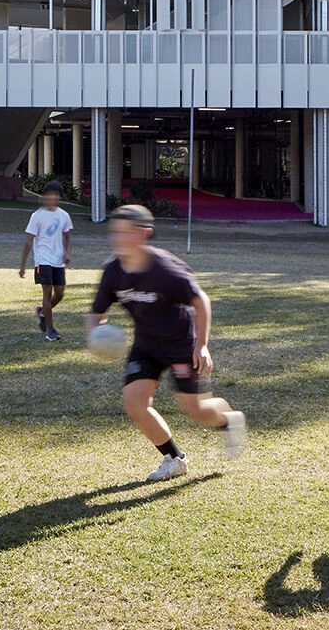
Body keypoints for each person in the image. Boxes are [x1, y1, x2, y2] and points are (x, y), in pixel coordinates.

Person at [87, 203, 247, 481]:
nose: (119, 239)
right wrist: (95, 335)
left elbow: (201, 301)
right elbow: (97, 312)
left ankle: (229, 420)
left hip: (180, 343)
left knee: (195, 409)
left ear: (143, 233)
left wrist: (201, 345)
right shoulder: (113, 270)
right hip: (147, 344)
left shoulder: (164, 268)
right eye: (116, 232)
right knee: (134, 403)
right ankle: (174, 458)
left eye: (126, 233)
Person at [19, 183, 76, 340]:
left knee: (59, 294)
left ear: (59, 197)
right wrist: (23, 265)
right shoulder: (37, 216)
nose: (52, 197)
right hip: (42, 260)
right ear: (44, 196)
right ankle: (51, 331)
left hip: (58, 260)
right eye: (49, 194)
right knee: (47, 291)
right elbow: (29, 240)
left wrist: (67, 253)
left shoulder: (64, 215)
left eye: (56, 195)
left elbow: (68, 238)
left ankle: (42, 311)